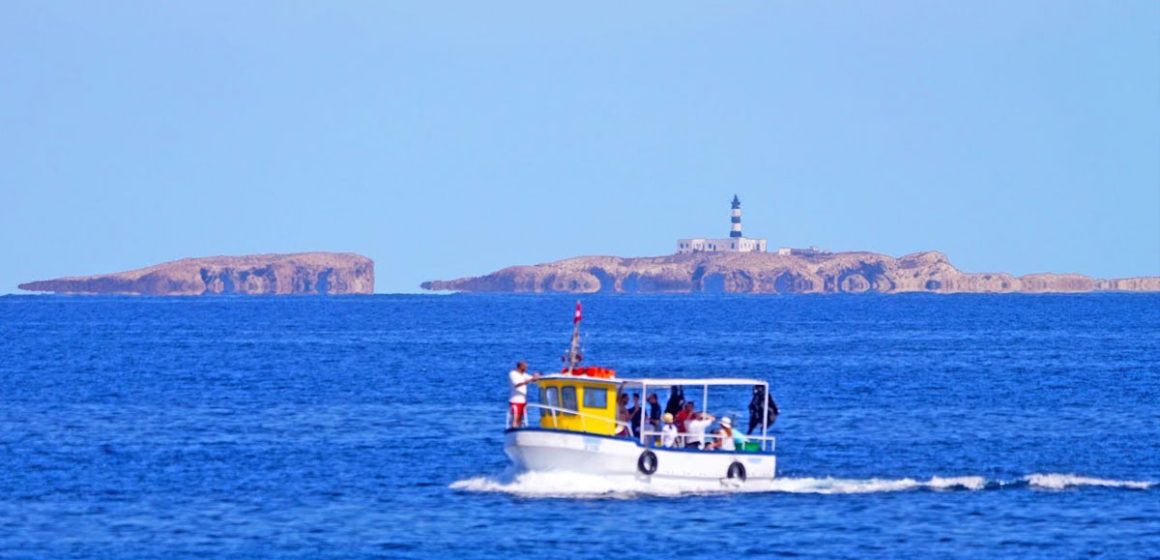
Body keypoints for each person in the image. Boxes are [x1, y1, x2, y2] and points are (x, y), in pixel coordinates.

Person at [508, 361, 540, 428]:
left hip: (523, 401)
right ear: (520, 366)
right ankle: (514, 429)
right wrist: (528, 381)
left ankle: (519, 429)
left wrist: (536, 377)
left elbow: (532, 379)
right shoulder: (513, 374)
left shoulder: (524, 374)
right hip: (515, 400)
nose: (526, 368)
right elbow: (517, 385)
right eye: (525, 367)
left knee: (521, 418)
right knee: (515, 418)